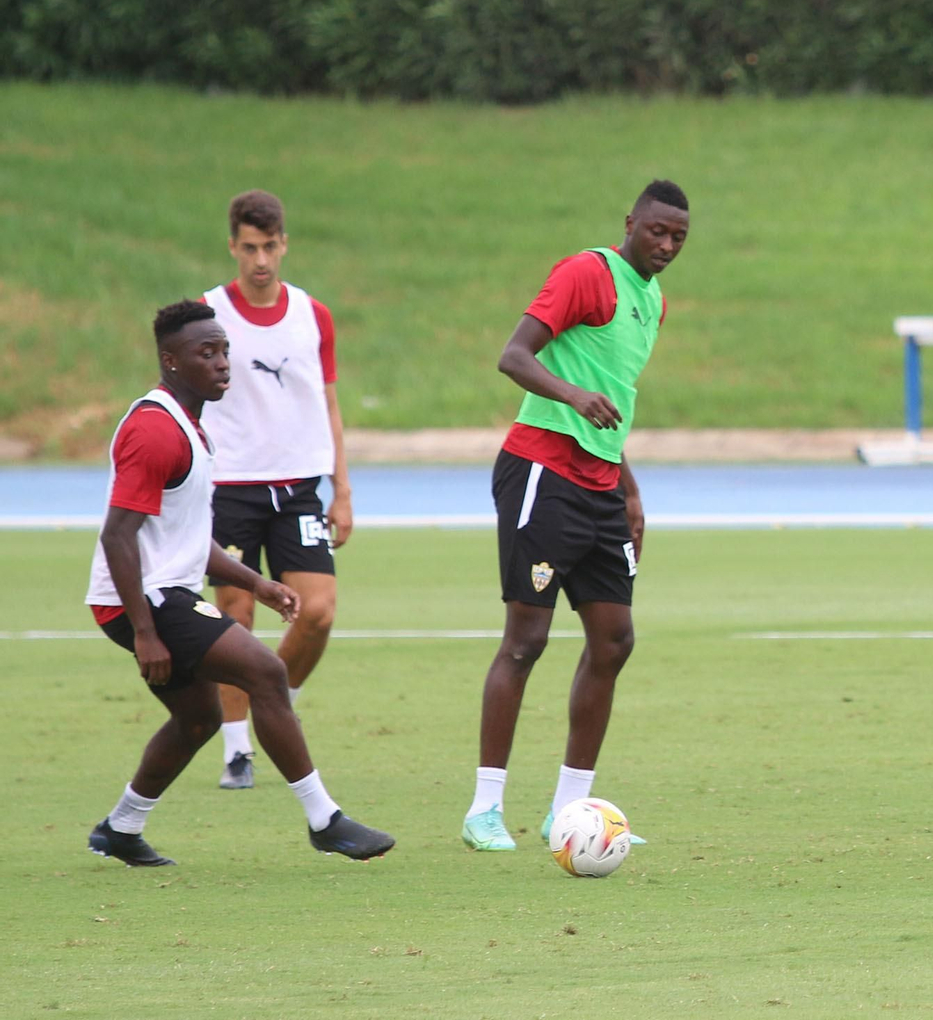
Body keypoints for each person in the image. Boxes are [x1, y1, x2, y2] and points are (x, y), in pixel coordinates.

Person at [84, 300, 393, 865]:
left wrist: (260, 584)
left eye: (225, 350)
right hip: (140, 600)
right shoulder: (155, 430)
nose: (224, 363)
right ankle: (325, 821)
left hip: (156, 594)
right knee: (266, 673)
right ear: (170, 361)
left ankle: (120, 828)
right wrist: (147, 633)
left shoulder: (189, 427)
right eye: (208, 353)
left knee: (198, 717)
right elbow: (117, 536)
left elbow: (183, 539)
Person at [461, 179, 690, 852]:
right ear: (631, 223)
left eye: (679, 237)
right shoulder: (589, 273)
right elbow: (515, 355)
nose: (668, 245)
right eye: (657, 231)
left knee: (614, 639)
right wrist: (573, 395)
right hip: (541, 472)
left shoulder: (654, 301)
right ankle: (484, 810)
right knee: (526, 640)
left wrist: (630, 490)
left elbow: (613, 401)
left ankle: (570, 811)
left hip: (599, 484)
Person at [199, 190, 352, 790]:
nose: (260, 260)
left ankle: (274, 701)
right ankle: (236, 750)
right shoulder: (208, 314)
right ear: (233, 246)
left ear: (284, 244)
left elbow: (330, 402)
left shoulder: (313, 315)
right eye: (248, 247)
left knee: (317, 611)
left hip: (298, 490)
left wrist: (341, 487)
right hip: (231, 487)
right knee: (234, 618)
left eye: (270, 247)